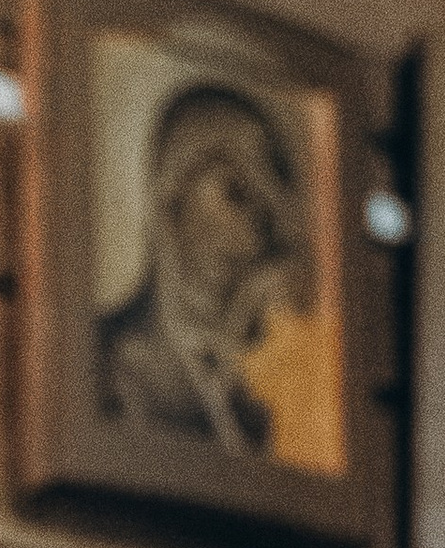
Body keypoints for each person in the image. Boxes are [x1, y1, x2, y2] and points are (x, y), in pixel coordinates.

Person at [94, 79, 308, 455]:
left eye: (270, 203)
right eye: (237, 191)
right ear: (169, 197)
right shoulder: (100, 362)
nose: (259, 227)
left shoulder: (251, 409)